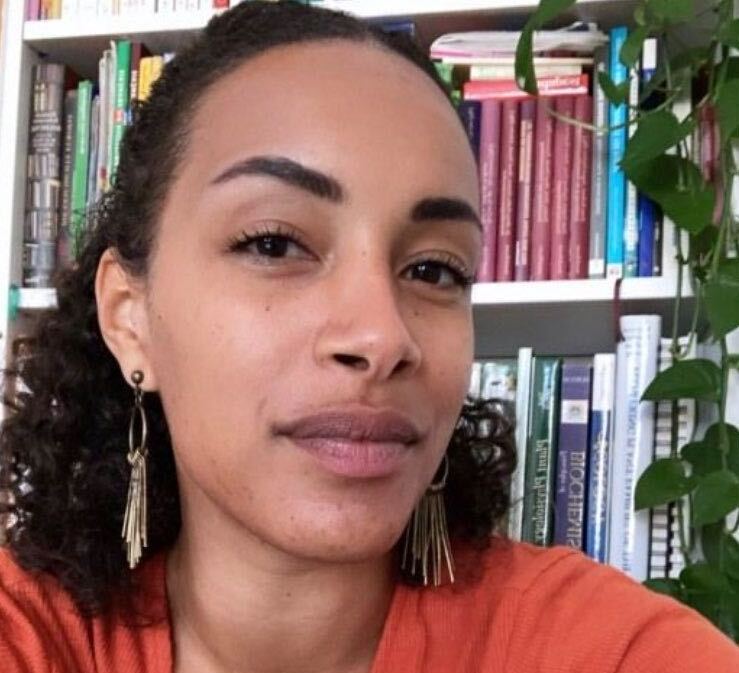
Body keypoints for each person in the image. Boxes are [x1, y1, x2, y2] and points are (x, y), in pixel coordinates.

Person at [0, 2, 737, 672]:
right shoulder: (33, 633)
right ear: (129, 316)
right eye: (273, 243)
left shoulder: (601, 649)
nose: (383, 336)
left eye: (434, 268)